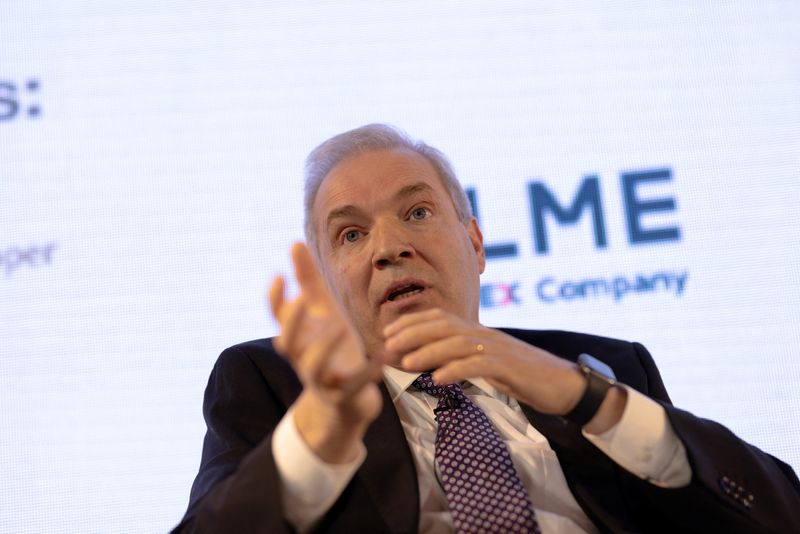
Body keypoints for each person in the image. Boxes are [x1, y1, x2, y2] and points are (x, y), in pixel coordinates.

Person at [173, 124, 799, 533]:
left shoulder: (601, 367)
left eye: (417, 212)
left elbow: (775, 513)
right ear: (329, 282)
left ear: (474, 241)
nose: (389, 247)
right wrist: (325, 430)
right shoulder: (271, 383)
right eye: (351, 234)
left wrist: (582, 396)